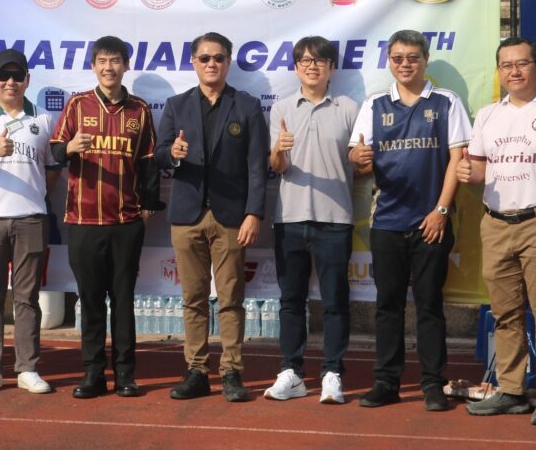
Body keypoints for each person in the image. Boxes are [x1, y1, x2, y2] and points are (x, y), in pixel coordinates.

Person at [458, 37, 536, 426]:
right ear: (498, 71)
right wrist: (467, 172)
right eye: (506, 65)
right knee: (505, 313)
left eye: (522, 63)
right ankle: (511, 390)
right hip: (496, 223)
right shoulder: (488, 115)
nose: (514, 71)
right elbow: (479, 171)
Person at [349, 29, 470, 411]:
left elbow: (458, 160)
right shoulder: (374, 104)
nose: (405, 64)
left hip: (432, 222)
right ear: (389, 61)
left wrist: (441, 211)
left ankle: (433, 383)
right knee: (388, 306)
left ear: (425, 60)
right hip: (386, 221)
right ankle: (386, 382)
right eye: (398, 58)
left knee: (430, 305)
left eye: (413, 57)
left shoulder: (447, 102)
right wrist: (357, 158)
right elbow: (357, 157)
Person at [155, 31, 268, 403]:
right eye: (204, 58)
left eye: (218, 57)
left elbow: (257, 166)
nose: (211, 64)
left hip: (232, 218)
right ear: (193, 62)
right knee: (194, 298)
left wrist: (254, 213)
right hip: (187, 216)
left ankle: (232, 371)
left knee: (232, 298)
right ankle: (197, 371)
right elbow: (158, 155)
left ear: (228, 62)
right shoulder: (176, 105)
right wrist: (172, 153)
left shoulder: (247, 106)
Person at [51, 35, 162, 399]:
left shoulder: (139, 110)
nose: (109, 67)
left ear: (126, 65)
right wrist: (70, 147)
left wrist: (148, 207)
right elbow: (55, 152)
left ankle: (126, 374)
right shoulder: (77, 104)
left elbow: (149, 163)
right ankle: (93, 373)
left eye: (115, 60)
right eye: (102, 61)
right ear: (93, 66)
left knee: (124, 300)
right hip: (83, 221)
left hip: (126, 223)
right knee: (91, 300)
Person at [263, 37, 359, 404]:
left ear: (332, 67)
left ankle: (332, 372)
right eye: (305, 60)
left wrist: (363, 159)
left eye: (320, 60)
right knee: (291, 300)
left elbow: (360, 164)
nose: (312, 66)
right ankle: (291, 371)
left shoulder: (349, 108)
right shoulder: (282, 108)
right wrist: (279, 150)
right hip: (290, 218)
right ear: (295, 67)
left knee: (335, 301)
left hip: (336, 219)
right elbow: (277, 167)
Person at [0, 49, 60, 395]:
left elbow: (52, 170)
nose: (10, 82)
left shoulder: (44, 119)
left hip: (31, 219)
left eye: (17, 76)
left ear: (27, 80)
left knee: (27, 298)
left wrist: (34, 197)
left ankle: (27, 368)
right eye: (4, 75)